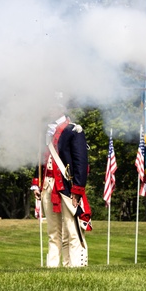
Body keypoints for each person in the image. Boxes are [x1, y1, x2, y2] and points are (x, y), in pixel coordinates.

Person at [54, 115, 91, 267]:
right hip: (56, 187)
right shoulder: (48, 131)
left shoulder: (74, 129)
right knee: (61, 234)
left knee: (74, 230)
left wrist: (77, 188)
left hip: (68, 187)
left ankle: (78, 265)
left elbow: (81, 162)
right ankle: (66, 264)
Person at [37, 112, 72, 267]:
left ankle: (69, 263)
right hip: (47, 184)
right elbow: (39, 160)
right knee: (53, 231)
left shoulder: (71, 130)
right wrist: (36, 183)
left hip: (64, 185)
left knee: (68, 230)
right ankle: (52, 266)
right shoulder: (46, 132)